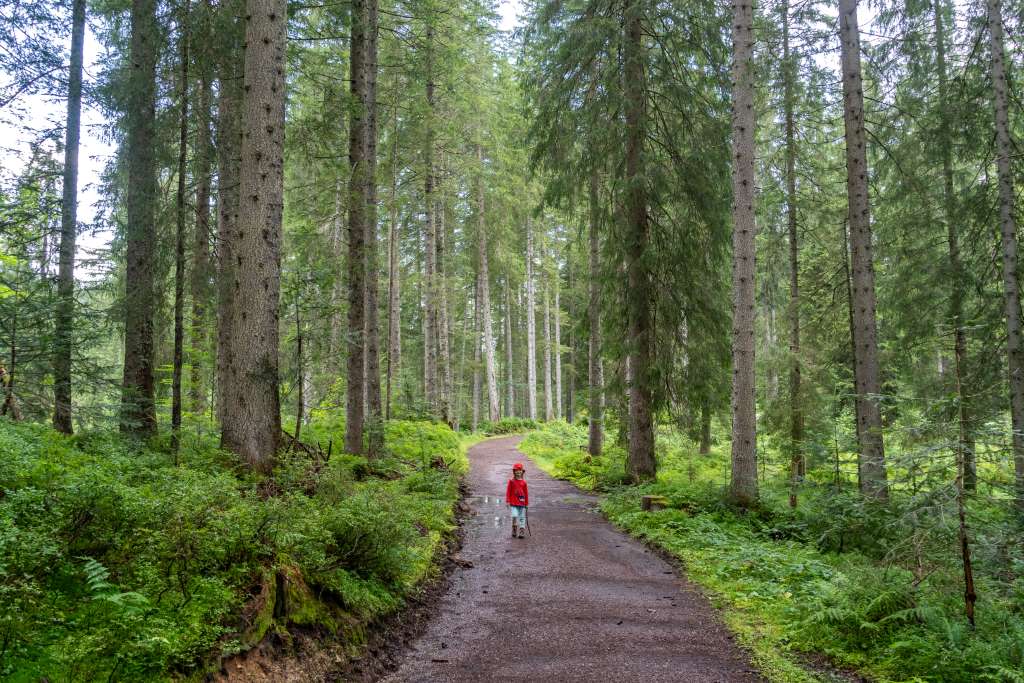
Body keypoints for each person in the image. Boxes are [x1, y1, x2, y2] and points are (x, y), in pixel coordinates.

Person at [506, 462, 529, 539]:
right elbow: (508, 491)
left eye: (520, 470)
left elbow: (526, 493)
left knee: (522, 517)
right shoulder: (511, 481)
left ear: (522, 471)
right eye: (516, 470)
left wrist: (526, 503)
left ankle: (522, 531)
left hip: (522, 503)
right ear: (514, 472)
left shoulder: (524, 482)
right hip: (513, 503)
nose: (518, 472)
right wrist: (507, 500)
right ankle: (514, 529)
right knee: (514, 515)